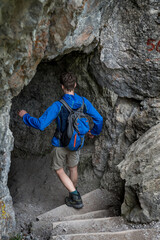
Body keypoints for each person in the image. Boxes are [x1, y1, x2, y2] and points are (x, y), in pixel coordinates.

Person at [18, 72, 103, 209]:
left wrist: (25, 116)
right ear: (75, 85)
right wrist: (93, 132)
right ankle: (72, 191)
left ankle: (75, 196)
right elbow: (99, 119)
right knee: (73, 167)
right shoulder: (84, 102)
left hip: (61, 144)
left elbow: (40, 124)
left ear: (62, 87)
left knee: (58, 169)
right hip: (77, 142)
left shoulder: (58, 105)